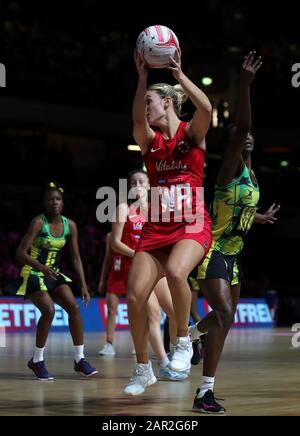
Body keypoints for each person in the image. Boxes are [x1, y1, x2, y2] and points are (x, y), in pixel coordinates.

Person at [189, 52, 280, 413]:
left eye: (249, 137)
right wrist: (243, 85)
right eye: (241, 137)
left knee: (225, 318)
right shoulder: (226, 171)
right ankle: (203, 393)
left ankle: (193, 335)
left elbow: (241, 209)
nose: (247, 138)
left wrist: (257, 218)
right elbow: (242, 128)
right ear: (231, 144)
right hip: (211, 250)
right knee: (224, 315)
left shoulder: (250, 175)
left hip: (234, 254)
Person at [123, 49, 213, 395]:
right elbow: (135, 123)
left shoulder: (192, 134)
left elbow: (205, 107)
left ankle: (182, 342)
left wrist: (179, 76)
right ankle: (143, 368)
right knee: (134, 295)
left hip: (192, 224)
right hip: (157, 228)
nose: (146, 107)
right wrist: (142, 79)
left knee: (177, 272)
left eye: (150, 102)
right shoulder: (150, 142)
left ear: (167, 103)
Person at [98, 170, 187, 382]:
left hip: (159, 266)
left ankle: (177, 354)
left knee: (174, 312)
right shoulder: (123, 209)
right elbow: (115, 243)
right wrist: (139, 254)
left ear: (149, 185)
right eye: (133, 182)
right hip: (137, 269)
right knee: (154, 315)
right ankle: (164, 363)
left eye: (141, 181)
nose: (137, 184)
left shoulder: (158, 209)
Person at [15, 181, 97, 380]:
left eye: (58, 199)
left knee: (74, 308)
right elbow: (20, 253)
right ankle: (37, 360)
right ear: (44, 203)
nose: (55, 202)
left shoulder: (71, 225)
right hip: (33, 271)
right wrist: (41, 267)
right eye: (51, 199)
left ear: (63, 202)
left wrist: (84, 285)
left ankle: (79, 360)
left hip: (53, 273)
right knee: (49, 310)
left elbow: (77, 257)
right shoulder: (38, 222)